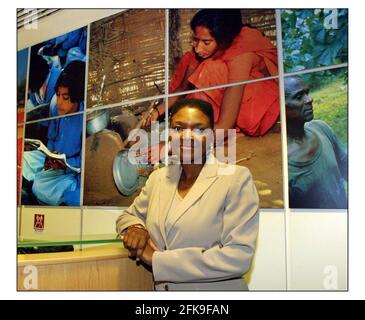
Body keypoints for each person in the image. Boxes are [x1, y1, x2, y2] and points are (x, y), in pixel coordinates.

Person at [116, 98, 259, 291]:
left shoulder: (236, 179)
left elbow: (238, 257)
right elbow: (128, 216)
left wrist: (156, 259)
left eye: (199, 129)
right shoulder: (158, 178)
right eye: (178, 128)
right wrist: (136, 228)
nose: (186, 136)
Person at [142, 9, 279, 137]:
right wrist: (156, 112)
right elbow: (183, 88)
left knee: (210, 69)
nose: (198, 48)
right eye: (196, 39)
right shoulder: (205, 48)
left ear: (223, 40)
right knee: (196, 83)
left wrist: (178, 142)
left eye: (206, 42)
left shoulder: (241, 56)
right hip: (231, 101)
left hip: (258, 115)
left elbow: (225, 126)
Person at [22, 61, 85, 206]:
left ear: (76, 96)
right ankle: (42, 177)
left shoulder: (83, 119)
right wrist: (50, 154)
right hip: (52, 160)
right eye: (57, 95)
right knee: (24, 157)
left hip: (68, 169)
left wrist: (64, 163)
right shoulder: (56, 109)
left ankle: (48, 183)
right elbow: (51, 137)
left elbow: (82, 160)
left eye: (65, 97)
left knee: (39, 186)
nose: (60, 102)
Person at [285, 76, 348, 209]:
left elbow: (346, 166)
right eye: (298, 97)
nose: (309, 99)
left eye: (307, 93)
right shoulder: (285, 167)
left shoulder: (321, 128)